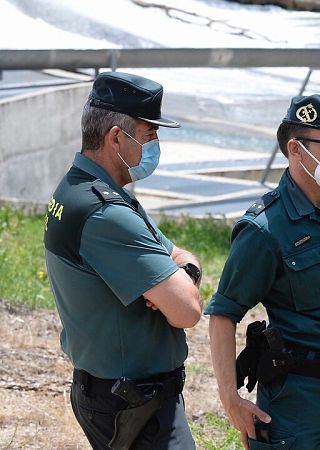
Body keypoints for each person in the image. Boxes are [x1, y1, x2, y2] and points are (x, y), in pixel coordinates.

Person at [206, 94, 320, 450]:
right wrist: (231, 400)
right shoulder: (264, 228)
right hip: (296, 394)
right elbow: (223, 316)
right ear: (295, 149)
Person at [44, 71, 203, 449]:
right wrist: (180, 284)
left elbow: (179, 254)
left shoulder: (87, 189)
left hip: (120, 396)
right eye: (150, 135)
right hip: (132, 404)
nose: (155, 146)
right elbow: (187, 312)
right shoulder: (105, 213)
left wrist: (183, 272)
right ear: (117, 137)